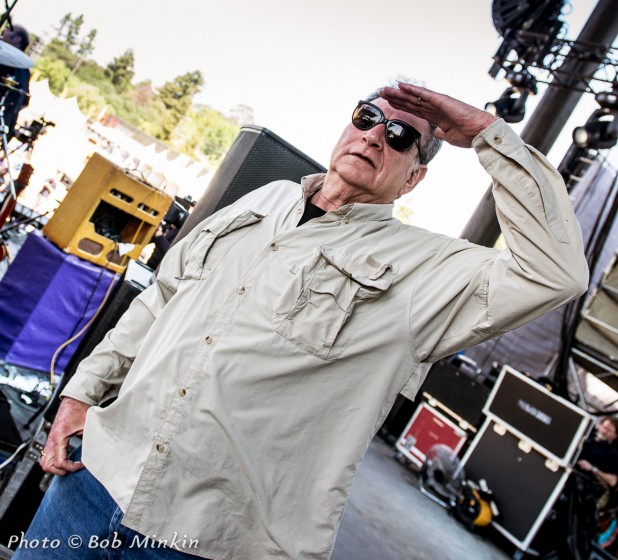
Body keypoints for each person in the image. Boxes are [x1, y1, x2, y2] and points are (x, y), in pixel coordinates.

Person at [15, 80, 588, 560]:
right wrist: (82, 394)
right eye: (367, 117)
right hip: (95, 479)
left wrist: (489, 134)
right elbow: (159, 300)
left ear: (413, 179)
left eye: (400, 136)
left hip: (211, 540)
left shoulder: (428, 270)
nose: (374, 135)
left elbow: (555, 273)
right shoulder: (264, 200)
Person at [0, 25, 30, 140]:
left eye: (8, 29)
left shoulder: (4, 62)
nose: (4, 31)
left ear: (16, 39)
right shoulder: (25, 71)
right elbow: (25, 102)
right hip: (5, 125)